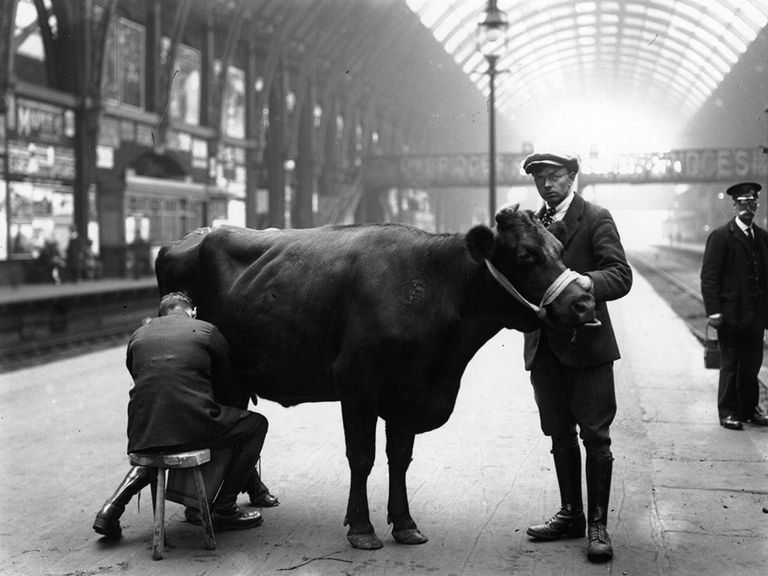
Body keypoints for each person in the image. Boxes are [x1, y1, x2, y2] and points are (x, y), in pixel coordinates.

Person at [520, 153, 632, 563]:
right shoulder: (532, 224)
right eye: (540, 179)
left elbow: (621, 275)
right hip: (545, 345)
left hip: (588, 346)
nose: (547, 185)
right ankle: (571, 514)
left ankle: (598, 525)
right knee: (559, 432)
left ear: (572, 177)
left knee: (596, 436)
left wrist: (585, 281)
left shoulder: (596, 217)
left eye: (554, 177)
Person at [93, 291, 268, 539]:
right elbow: (227, 388)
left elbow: (139, 377)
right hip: (194, 428)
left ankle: (111, 509)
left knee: (163, 442)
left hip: (143, 432)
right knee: (256, 425)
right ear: (193, 311)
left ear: (160, 315)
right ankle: (225, 508)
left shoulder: (138, 336)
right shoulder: (207, 330)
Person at [700, 181, 768, 431]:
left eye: (752, 203)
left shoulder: (761, 237)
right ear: (734, 205)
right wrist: (713, 311)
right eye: (743, 203)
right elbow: (709, 277)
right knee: (730, 364)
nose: (748, 208)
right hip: (730, 315)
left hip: (756, 315)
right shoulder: (720, 237)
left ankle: (749, 409)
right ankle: (728, 411)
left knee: (752, 364)